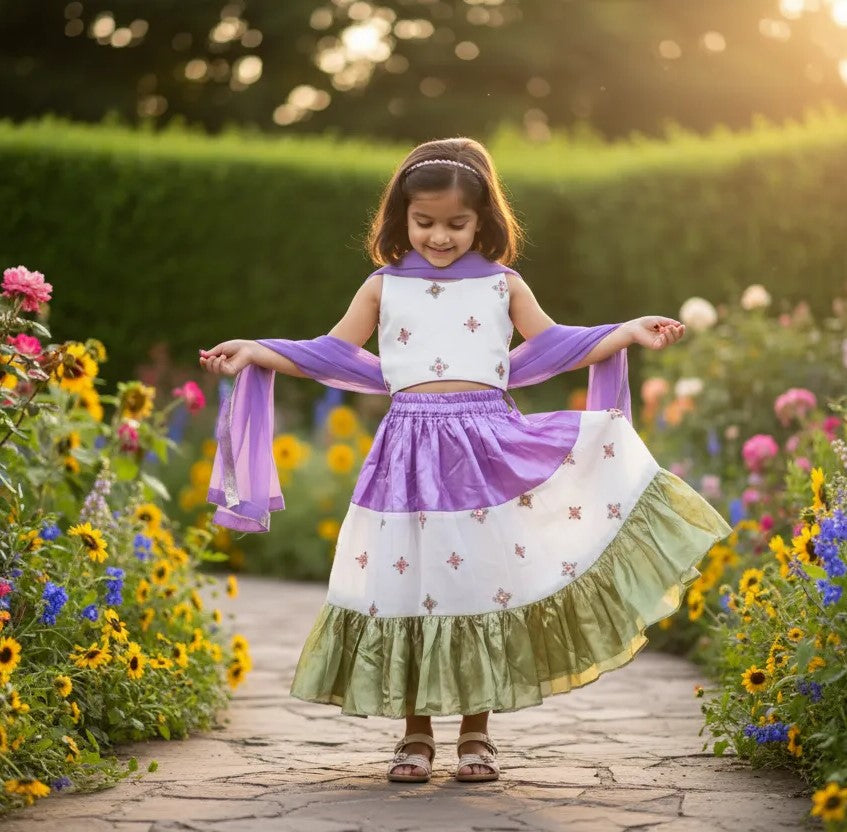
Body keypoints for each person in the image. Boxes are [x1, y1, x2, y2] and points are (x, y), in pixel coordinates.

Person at [198, 137, 733, 784]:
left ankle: (477, 733)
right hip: (405, 458)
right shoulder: (383, 285)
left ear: (483, 222)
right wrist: (257, 350)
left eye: (456, 223)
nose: (439, 236)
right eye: (423, 223)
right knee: (414, 582)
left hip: (486, 454)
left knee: (481, 582)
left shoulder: (501, 284)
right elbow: (334, 352)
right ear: (402, 219)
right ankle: (414, 733)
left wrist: (623, 332)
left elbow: (556, 342)